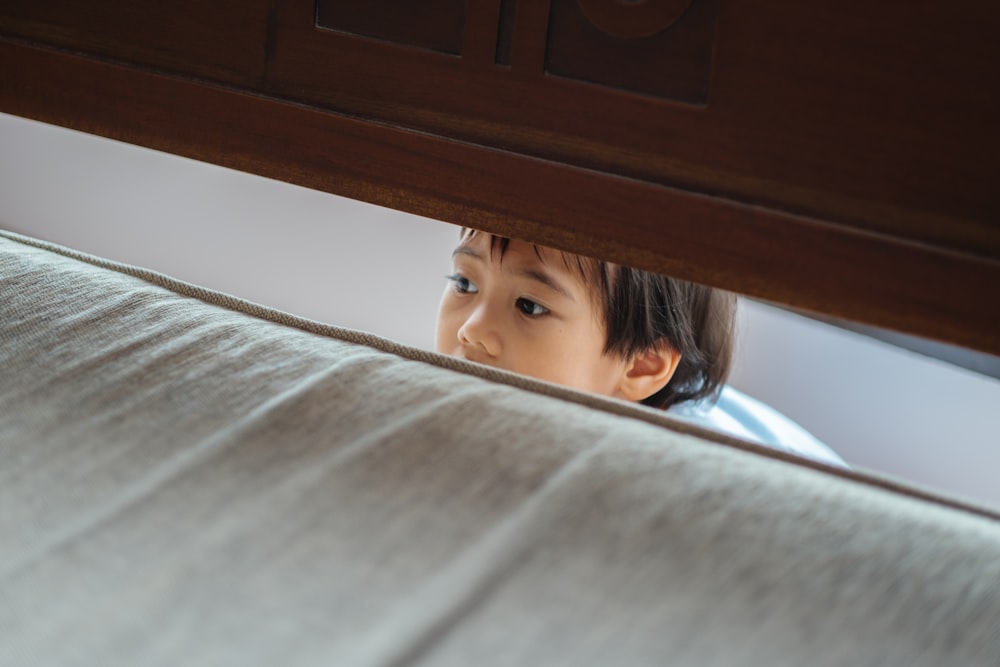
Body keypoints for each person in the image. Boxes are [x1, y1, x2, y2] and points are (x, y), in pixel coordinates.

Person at [436, 228, 846, 467]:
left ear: (642, 366)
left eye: (530, 306)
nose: (472, 330)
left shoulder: (685, 467)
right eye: (464, 284)